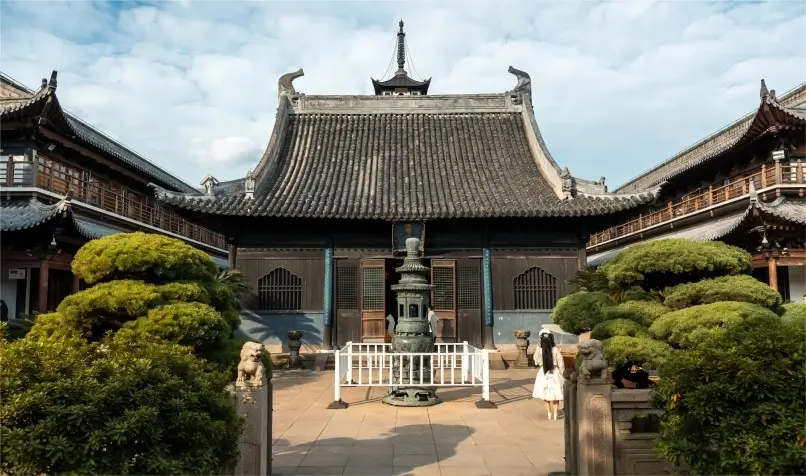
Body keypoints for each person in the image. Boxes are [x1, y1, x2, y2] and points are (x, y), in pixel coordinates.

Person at [532, 328, 565, 420]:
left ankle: (549, 413)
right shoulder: (555, 350)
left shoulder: (540, 350)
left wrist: (537, 349)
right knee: (556, 395)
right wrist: (563, 372)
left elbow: (536, 361)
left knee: (545, 396)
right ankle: (555, 414)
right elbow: (561, 363)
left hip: (543, 373)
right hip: (555, 372)